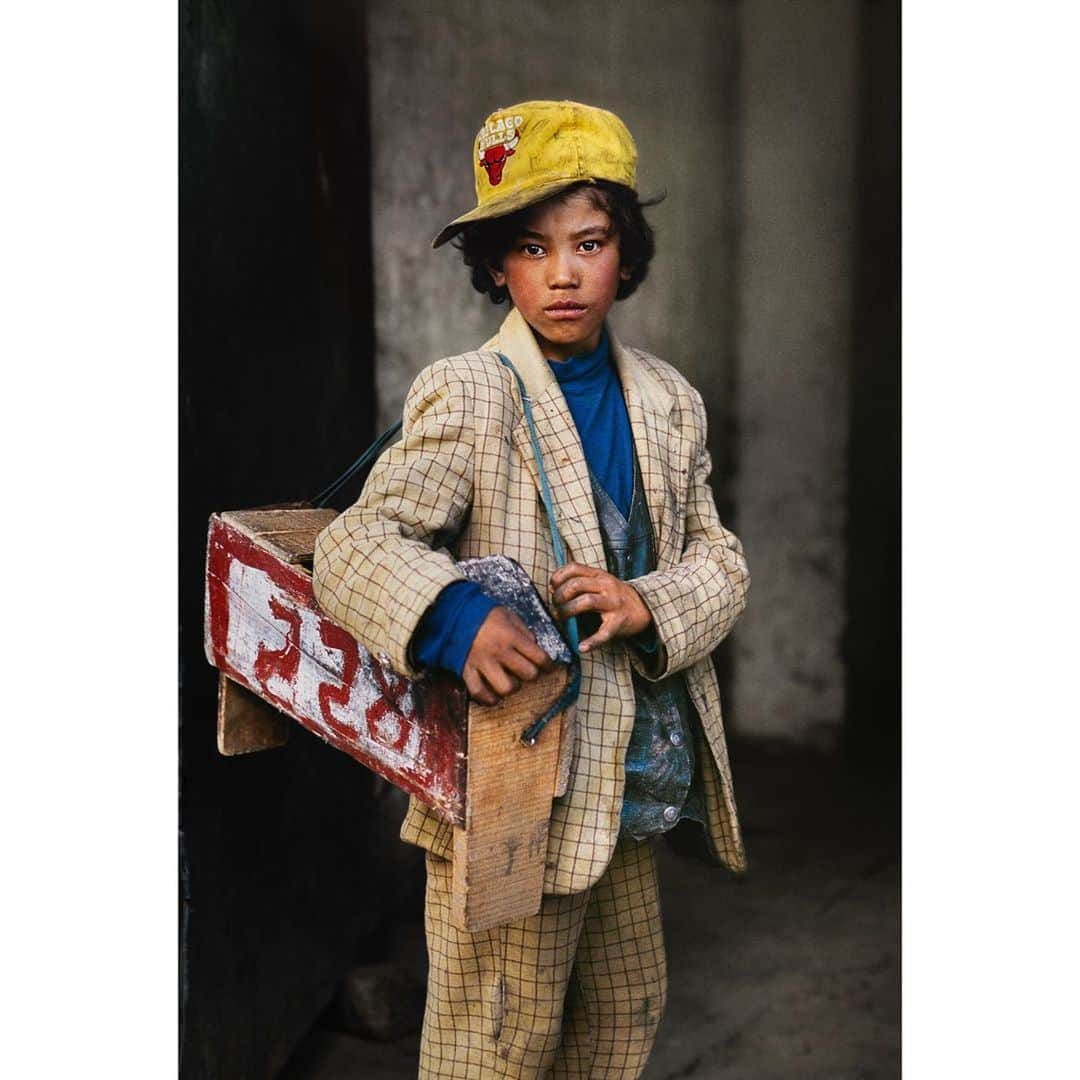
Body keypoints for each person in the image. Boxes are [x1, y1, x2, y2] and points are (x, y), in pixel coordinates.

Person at [313, 99, 750, 1079]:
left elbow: (721, 556)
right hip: (511, 794)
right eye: (531, 247)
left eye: (588, 243)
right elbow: (357, 543)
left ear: (625, 256)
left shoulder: (670, 402)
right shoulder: (469, 394)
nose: (562, 272)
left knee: (623, 1012)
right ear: (495, 266)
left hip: (633, 781)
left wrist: (651, 605)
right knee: (498, 1039)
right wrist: (452, 615)